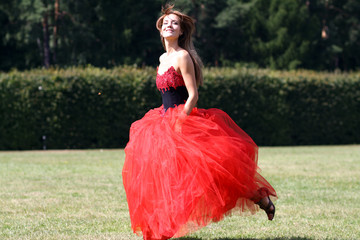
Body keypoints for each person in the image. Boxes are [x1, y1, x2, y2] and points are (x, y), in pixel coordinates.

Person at [122, 4, 277, 240]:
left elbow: (193, 95)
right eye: (165, 23)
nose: (169, 26)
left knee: (216, 173)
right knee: (162, 178)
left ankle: (260, 197)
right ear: (160, 29)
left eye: (174, 23)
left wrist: (180, 121)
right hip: (161, 122)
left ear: (182, 31)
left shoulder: (183, 57)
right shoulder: (162, 58)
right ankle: (158, 231)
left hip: (184, 119)